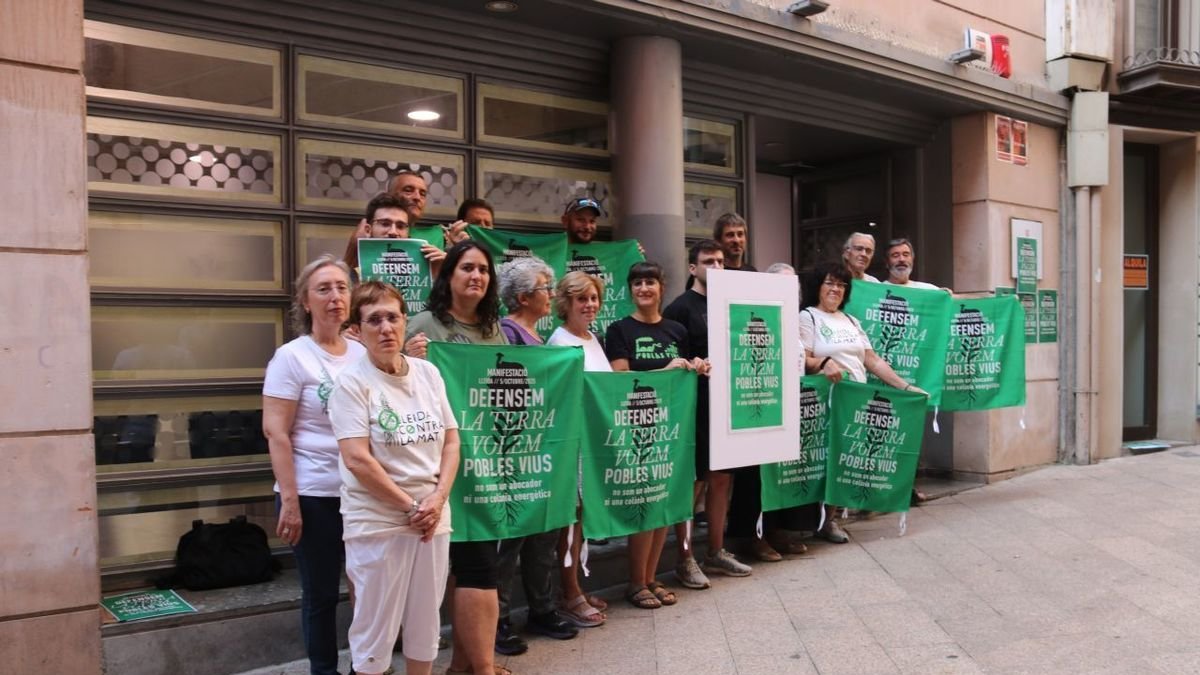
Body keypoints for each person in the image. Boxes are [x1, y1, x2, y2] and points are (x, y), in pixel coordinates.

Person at [328, 281, 460, 675]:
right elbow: (357, 459)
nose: (385, 328)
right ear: (357, 329)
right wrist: (412, 507)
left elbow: (452, 441)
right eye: (374, 320)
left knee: (425, 623)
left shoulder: (428, 373)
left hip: (431, 518)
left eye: (392, 317)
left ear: (405, 321)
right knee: (375, 633)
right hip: (379, 521)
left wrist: (437, 500)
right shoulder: (352, 383)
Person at [403, 240, 510, 675]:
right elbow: (391, 382)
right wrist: (409, 360)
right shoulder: (421, 323)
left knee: (477, 562)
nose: (476, 276)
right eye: (467, 268)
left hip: (483, 463)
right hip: (435, 466)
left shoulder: (493, 329)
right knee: (468, 565)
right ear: (448, 275)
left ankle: (465, 665)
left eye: (483, 269)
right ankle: (479, 667)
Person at [263, 256, 365, 675]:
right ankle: (323, 670)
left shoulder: (362, 352)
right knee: (321, 593)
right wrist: (290, 502)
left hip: (361, 493)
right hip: (312, 494)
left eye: (341, 287)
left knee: (367, 587)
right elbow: (276, 433)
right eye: (323, 289)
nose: (335, 296)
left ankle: (367, 666)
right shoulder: (291, 357)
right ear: (306, 301)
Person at [798, 262, 926, 544]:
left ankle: (829, 520)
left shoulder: (851, 321)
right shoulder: (808, 317)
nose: (835, 289)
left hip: (856, 403)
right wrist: (824, 363)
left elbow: (872, 360)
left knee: (846, 460)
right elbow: (802, 358)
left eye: (841, 285)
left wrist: (905, 387)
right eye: (830, 283)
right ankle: (817, 521)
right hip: (826, 402)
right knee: (827, 461)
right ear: (818, 286)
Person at [605, 261, 708, 610]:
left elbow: (685, 371)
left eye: (650, 282)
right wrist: (665, 369)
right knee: (644, 504)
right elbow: (619, 378)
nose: (644, 288)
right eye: (637, 283)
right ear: (630, 290)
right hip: (635, 429)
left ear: (662, 287)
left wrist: (696, 367)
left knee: (664, 503)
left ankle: (650, 579)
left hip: (670, 429)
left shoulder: (676, 330)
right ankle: (635, 583)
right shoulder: (619, 330)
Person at [492, 257, 579, 653]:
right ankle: (498, 620)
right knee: (511, 540)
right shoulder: (507, 335)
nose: (551, 294)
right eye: (546, 288)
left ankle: (542, 609)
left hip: (544, 451)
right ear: (524, 297)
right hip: (516, 453)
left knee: (544, 535)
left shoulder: (539, 339)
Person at [662, 240, 751, 587]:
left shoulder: (733, 303)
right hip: (695, 406)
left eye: (720, 262)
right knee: (694, 482)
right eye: (708, 262)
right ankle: (685, 558)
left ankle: (716, 552)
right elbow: (674, 360)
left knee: (722, 479)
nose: (716, 267)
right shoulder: (680, 308)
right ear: (692, 268)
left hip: (729, 404)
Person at [726, 261, 809, 561]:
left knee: (779, 476)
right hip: (758, 406)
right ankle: (751, 537)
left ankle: (775, 531)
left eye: (793, 285)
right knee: (754, 479)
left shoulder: (794, 323)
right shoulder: (758, 318)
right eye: (782, 284)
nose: (789, 291)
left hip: (787, 409)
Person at [547, 271, 611, 628]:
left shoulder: (591, 338)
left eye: (594, 298)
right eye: (581, 299)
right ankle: (569, 593)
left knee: (582, 517)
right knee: (570, 520)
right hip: (573, 445)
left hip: (593, 442)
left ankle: (576, 588)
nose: (590, 305)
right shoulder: (560, 342)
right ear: (566, 303)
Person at [343, 192, 445, 282]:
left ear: (408, 234)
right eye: (385, 224)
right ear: (368, 230)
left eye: (400, 226)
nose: (393, 232)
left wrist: (446, 271)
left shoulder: (427, 272)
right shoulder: (348, 278)